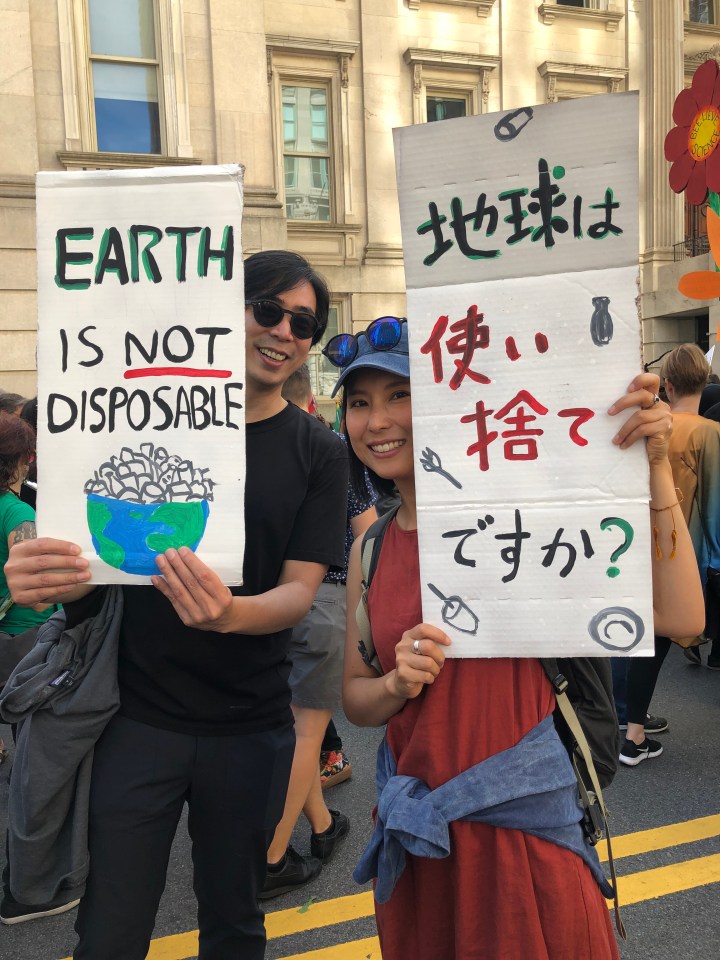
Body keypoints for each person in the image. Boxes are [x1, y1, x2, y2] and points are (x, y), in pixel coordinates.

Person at [2, 250, 349, 959]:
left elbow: (299, 592)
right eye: (268, 310)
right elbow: (99, 566)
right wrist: (50, 575)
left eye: (304, 323)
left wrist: (231, 615)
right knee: (110, 928)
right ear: (225, 310)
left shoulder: (318, 449)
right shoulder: (141, 423)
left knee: (235, 922)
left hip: (251, 725)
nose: (284, 332)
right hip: (137, 718)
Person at [334, 320, 703, 960]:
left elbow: (684, 617)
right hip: (419, 844)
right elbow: (356, 701)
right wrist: (395, 683)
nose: (378, 421)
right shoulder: (371, 548)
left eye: (400, 395)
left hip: (526, 846)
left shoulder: (527, 523)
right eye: (359, 403)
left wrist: (655, 470)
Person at [260, 366, 376, 898]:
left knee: (295, 729)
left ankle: (324, 825)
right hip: (325, 600)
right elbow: (368, 535)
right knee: (307, 732)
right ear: (312, 397)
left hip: (267, 603)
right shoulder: (329, 451)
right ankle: (271, 857)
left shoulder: (259, 448)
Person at [0, 415, 56, 761]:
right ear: (21, 459)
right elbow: (39, 597)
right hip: (23, 636)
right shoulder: (18, 513)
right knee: (29, 725)